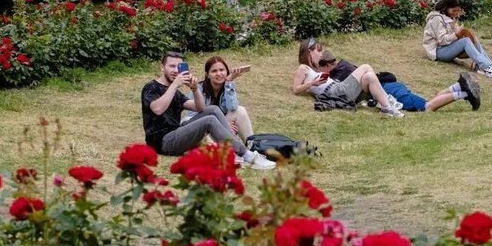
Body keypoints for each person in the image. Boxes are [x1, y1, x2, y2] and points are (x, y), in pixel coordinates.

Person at [142, 51, 276, 169]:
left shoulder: (176, 93)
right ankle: (247, 155)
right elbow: (158, 109)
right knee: (209, 120)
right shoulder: (151, 87)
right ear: (162, 67)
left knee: (212, 109)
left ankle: (236, 152)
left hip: (176, 134)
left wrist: (194, 89)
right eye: (171, 66)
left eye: (179, 67)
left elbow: (200, 108)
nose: (176, 71)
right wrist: (176, 84)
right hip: (162, 143)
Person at [318, 49, 483, 111]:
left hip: (390, 90)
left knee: (427, 106)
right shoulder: (346, 65)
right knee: (427, 100)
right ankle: (458, 86)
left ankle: (464, 93)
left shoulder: (340, 73)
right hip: (392, 86)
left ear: (326, 65)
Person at [291, 38, 405, 117]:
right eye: (318, 51)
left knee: (369, 76)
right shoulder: (303, 68)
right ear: (308, 52)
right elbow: (296, 89)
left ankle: (386, 106)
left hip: (338, 90)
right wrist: (312, 84)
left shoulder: (316, 69)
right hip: (334, 91)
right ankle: (387, 102)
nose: (321, 54)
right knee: (365, 67)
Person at [423, 0, 492, 78]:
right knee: (465, 41)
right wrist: (456, 35)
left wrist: (457, 30)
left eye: (458, 11)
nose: (456, 13)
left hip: (446, 48)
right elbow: (442, 40)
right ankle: (484, 66)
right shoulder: (437, 18)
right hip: (438, 51)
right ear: (446, 7)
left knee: (472, 37)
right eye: (454, 10)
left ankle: (489, 64)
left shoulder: (450, 17)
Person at [182, 56, 256, 143]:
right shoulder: (197, 89)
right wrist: (221, 124)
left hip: (224, 130)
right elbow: (192, 117)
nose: (219, 74)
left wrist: (229, 82)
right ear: (207, 75)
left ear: (227, 72)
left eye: (222, 70)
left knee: (240, 110)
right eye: (214, 71)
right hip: (205, 131)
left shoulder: (229, 86)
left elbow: (233, 107)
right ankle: (215, 151)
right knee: (186, 120)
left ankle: (253, 146)